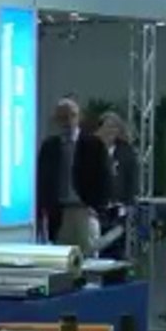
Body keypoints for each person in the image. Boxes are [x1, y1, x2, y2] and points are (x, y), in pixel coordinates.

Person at [35, 98, 111, 252]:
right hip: (59, 212)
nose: (68, 121)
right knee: (61, 259)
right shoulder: (49, 147)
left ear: (79, 117)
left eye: (72, 116)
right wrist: (41, 213)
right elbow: (42, 181)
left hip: (85, 210)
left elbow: (105, 179)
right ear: (56, 120)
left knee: (88, 258)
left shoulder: (93, 145)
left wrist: (98, 208)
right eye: (63, 117)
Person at [95, 111, 140, 259]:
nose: (111, 131)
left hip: (118, 208)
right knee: (96, 246)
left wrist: (129, 203)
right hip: (94, 209)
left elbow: (132, 179)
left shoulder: (126, 151)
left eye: (115, 127)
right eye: (107, 127)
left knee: (115, 246)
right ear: (100, 129)